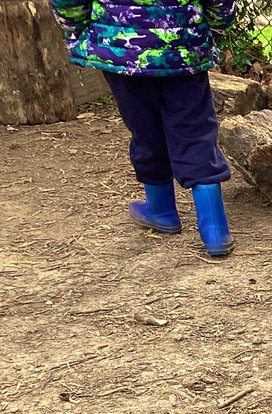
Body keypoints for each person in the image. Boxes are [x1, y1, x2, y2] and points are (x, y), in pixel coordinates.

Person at [51, 0, 236, 256]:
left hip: (119, 44)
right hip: (182, 45)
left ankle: (161, 211)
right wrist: (213, 25)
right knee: (194, 130)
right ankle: (215, 230)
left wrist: (78, 27)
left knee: (145, 128)